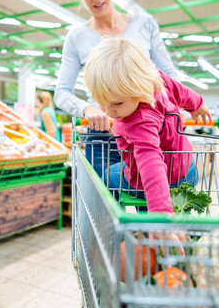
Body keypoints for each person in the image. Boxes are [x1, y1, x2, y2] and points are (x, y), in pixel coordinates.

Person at [54, 0, 179, 177]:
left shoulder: (145, 25)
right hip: (103, 136)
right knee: (104, 208)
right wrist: (88, 108)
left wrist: (174, 109)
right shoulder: (76, 37)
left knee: (148, 206)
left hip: (147, 131)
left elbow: (169, 75)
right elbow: (61, 93)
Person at [84, 37, 212, 251]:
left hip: (154, 180)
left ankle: (120, 231)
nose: (108, 111)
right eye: (101, 101)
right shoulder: (156, 80)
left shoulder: (138, 122)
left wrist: (160, 215)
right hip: (187, 170)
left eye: (117, 103)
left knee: (105, 177)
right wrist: (197, 104)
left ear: (139, 87)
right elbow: (181, 91)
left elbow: (151, 163)